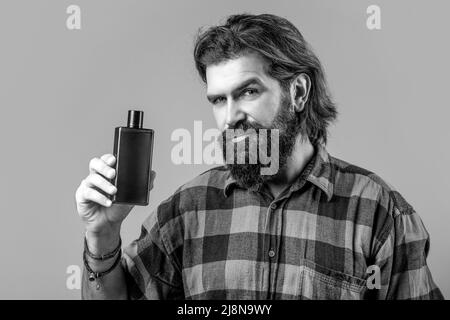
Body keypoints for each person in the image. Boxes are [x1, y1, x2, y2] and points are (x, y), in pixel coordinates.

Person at [75, 13, 443, 299]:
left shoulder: (379, 214)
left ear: (298, 92)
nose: (230, 116)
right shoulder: (187, 210)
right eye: (219, 99)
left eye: (248, 92)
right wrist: (101, 234)